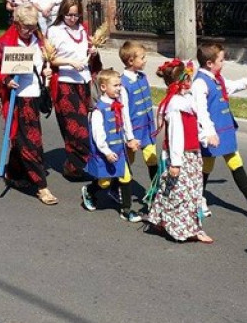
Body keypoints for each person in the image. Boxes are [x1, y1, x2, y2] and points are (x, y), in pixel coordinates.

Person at [0, 4, 59, 205]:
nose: (29, 30)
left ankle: (15, 174)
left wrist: (45, 71)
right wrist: (6, 80)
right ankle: (42, 187)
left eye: (33, 26)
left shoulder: (39, 39)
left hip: (36, 95)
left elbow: (43, 64)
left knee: (23, 139)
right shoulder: (5, 43)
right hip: (19, 99)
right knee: (31, 142)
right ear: (16, 23)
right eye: (26, 26)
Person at [192, 42, 247, 217]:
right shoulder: (200, 83)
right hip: (213, 133)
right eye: (221, 60)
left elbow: (231, 87)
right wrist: (209, 133)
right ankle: (197, 199)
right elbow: (201, 112)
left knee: (233, 160)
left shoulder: (217, 78)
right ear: (209, 63)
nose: (224, 63)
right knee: (207, 164)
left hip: (224, 129)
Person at [145, 59, 214, 244]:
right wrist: (175, 163)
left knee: (189, 192)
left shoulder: (186, 100)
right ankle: (184, 228)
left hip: (192, 154)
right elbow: (175, 136)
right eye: (188, 77)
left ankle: (165, 221)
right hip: (181, 156)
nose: (191, 80)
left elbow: (195, 125)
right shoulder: (175, 105)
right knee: (180, 193)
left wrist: (205, 137)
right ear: (182, 80)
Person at [81, 69, 143, 222]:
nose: (119, 88)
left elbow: (125, 122)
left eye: (120, 85)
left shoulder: (118, 104)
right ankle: (89, 190)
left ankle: (126, 210)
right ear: (103, 87)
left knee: (126, 177)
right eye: (115, 85)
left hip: (119, 150)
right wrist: (106, 151)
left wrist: (130, 139)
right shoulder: (98, 110)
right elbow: (98, 135)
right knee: (105, 182)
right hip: (106, 152)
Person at [46, 0, 95, 180]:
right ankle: (74, 165)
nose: (73, 19)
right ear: (62, 14)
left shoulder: (83, 29)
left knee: (84, 125)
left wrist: (92, 52)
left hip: (83, 81)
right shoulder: (55, 31)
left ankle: (75, 166)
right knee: (77, 128)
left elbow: (86, 54)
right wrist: (70, 62)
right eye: (69, 15)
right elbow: (49, 58)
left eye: (76, 15)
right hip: (65, 83)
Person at [119, 41, 159, 186]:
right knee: (127, 162)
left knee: (152, 159)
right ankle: (111, 187)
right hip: (133, 131)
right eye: (142, 58)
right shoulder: (123, 84)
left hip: (147, 129)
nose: (145, 60)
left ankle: (156, 193)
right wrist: (129, 137)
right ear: (131, 61)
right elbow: (124, 113)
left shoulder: (143, 77)